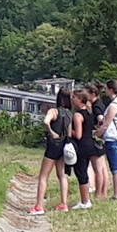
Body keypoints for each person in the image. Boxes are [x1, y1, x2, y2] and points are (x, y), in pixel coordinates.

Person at [28, 87, 72, 215]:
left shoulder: (54, 111)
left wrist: (52, 132)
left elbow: (46, 122)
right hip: (64, 146)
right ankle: (64, 203)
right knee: (62, 175)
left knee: (43, 176)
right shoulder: (70, 114)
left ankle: (39, 206)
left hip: (53, 145)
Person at [94, 79, 117, 200]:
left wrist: (98, 134)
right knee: (114, 166)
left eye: (106, 89)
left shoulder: (113, 106)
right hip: (114, 137)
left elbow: (106, 124)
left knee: (115, 168)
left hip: (111, 138)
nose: (105, 91)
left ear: (111, 90)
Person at [71, 90, 97, 210]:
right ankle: (85, 199)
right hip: (90, 144)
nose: (72, 99)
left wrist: (69, 131)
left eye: (74, 97)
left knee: (81, 172)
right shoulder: (89, 112)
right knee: (85, 170)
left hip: (81, 146)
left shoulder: (78, 115)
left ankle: (85, 200)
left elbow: (78, 135)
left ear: (80, 99)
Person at [86, 82, 109, 198]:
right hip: (102, 139)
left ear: (93, 93)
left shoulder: (96, 106)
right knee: (103, 167)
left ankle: (98, 193)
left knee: (98, 169)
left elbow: (101, 119)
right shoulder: (100, 104)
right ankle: (103, 192)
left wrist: (97, 129)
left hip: (96, 139)